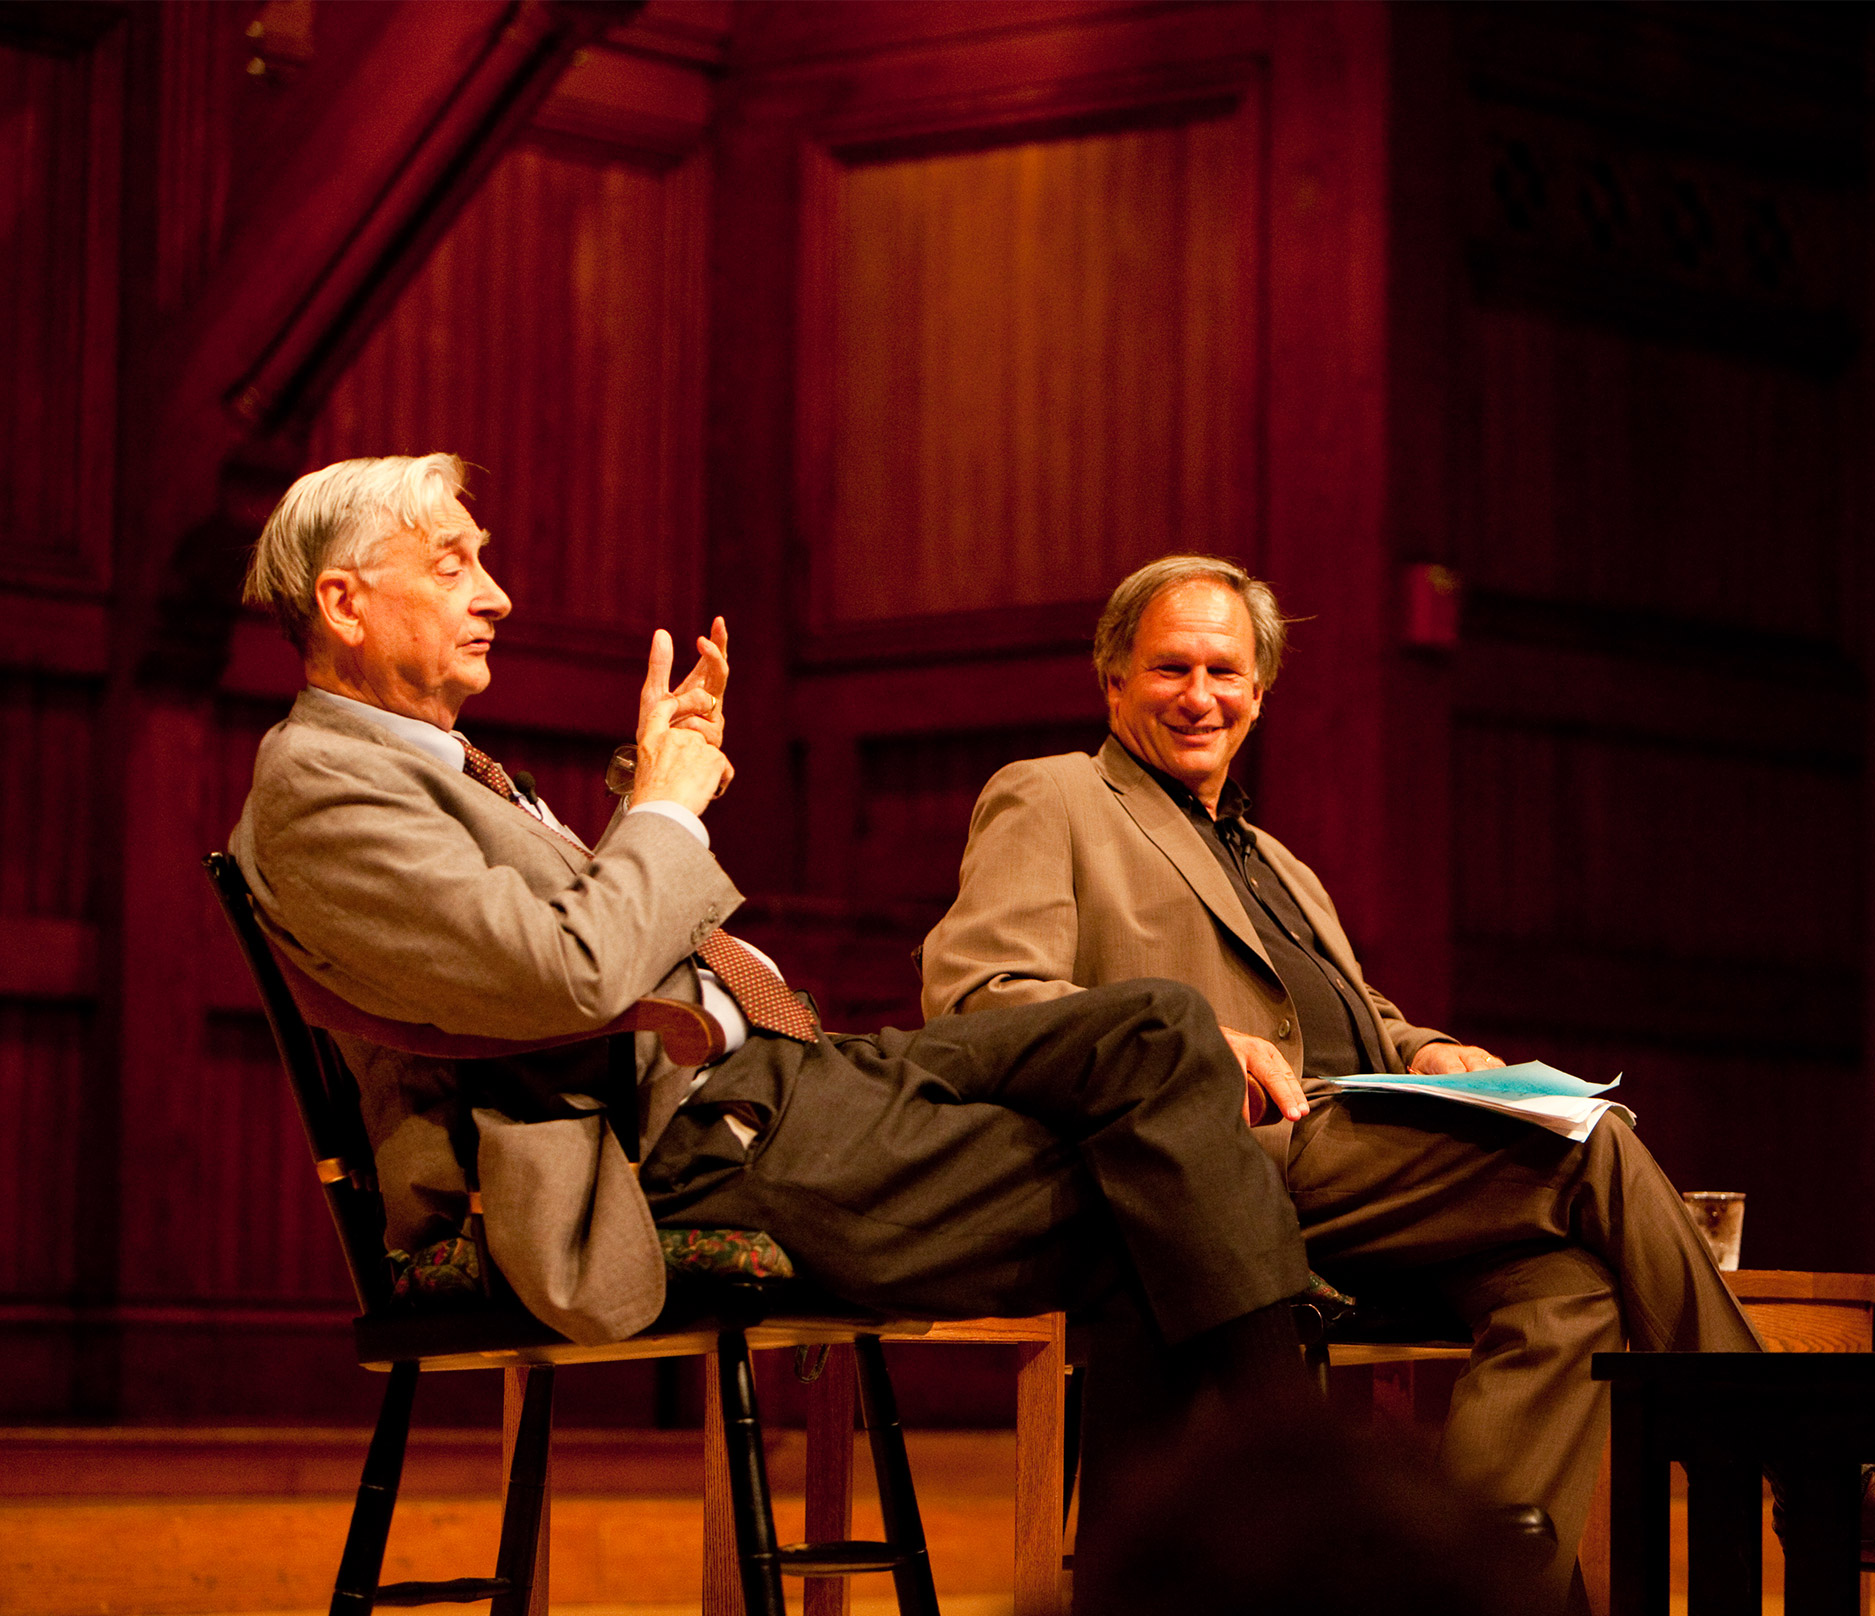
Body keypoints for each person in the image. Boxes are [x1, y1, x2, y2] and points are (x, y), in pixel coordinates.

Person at [227, 455, 1319, 1526]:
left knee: (1159, 1027)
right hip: (696, 1143)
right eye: (454, 562)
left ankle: (1217, 1563)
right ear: (345, 601)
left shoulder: (427, 764)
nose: (496, 593)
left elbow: (562, 959)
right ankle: (1300, 1517)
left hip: (782, 1078)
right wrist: (664, 809)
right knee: (1155, 1183)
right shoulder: (327, 789)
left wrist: (652, 780)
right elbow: (572, 975)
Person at [918, 553, 1763, 1581]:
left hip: (1351, 1162)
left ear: (1260, 694)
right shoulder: (1053, 796)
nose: (1199, 696)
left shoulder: (1281, 864)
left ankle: (1459, 1615)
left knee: (1566, 1287)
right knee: (1593, 1147)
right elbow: (976, 998)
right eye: (1169, 668)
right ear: (1112, 681)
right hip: (1205, 1168)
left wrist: (1429, 1050)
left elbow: (1361, 1022)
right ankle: (1790, 1463)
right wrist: (1174, 1039)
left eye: (1224, 672)